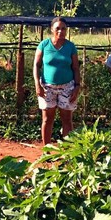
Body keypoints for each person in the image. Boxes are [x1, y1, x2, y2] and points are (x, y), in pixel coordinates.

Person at [33, 17, 81, 145]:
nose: (60, 31)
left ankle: (67, 151)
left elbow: (76, 68)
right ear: (52, 29)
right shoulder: (44, 45)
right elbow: (36, 65)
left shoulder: (70, 47)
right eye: (57, 28)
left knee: (67, 119)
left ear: (66, 30)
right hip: (47, 87)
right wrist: (37, 85)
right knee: (47, 119)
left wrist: (77, 86)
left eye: (63, 28)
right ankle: (47, 150)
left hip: (67, 87)